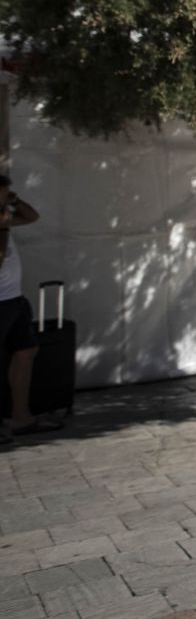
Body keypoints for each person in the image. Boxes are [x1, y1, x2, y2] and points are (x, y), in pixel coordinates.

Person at [1, 175, 57, 444]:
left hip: (14, 298)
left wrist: (14, 200)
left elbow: (32, 216)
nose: (4, 200)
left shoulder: (5, 218)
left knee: (26, 351)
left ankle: (21, 417)